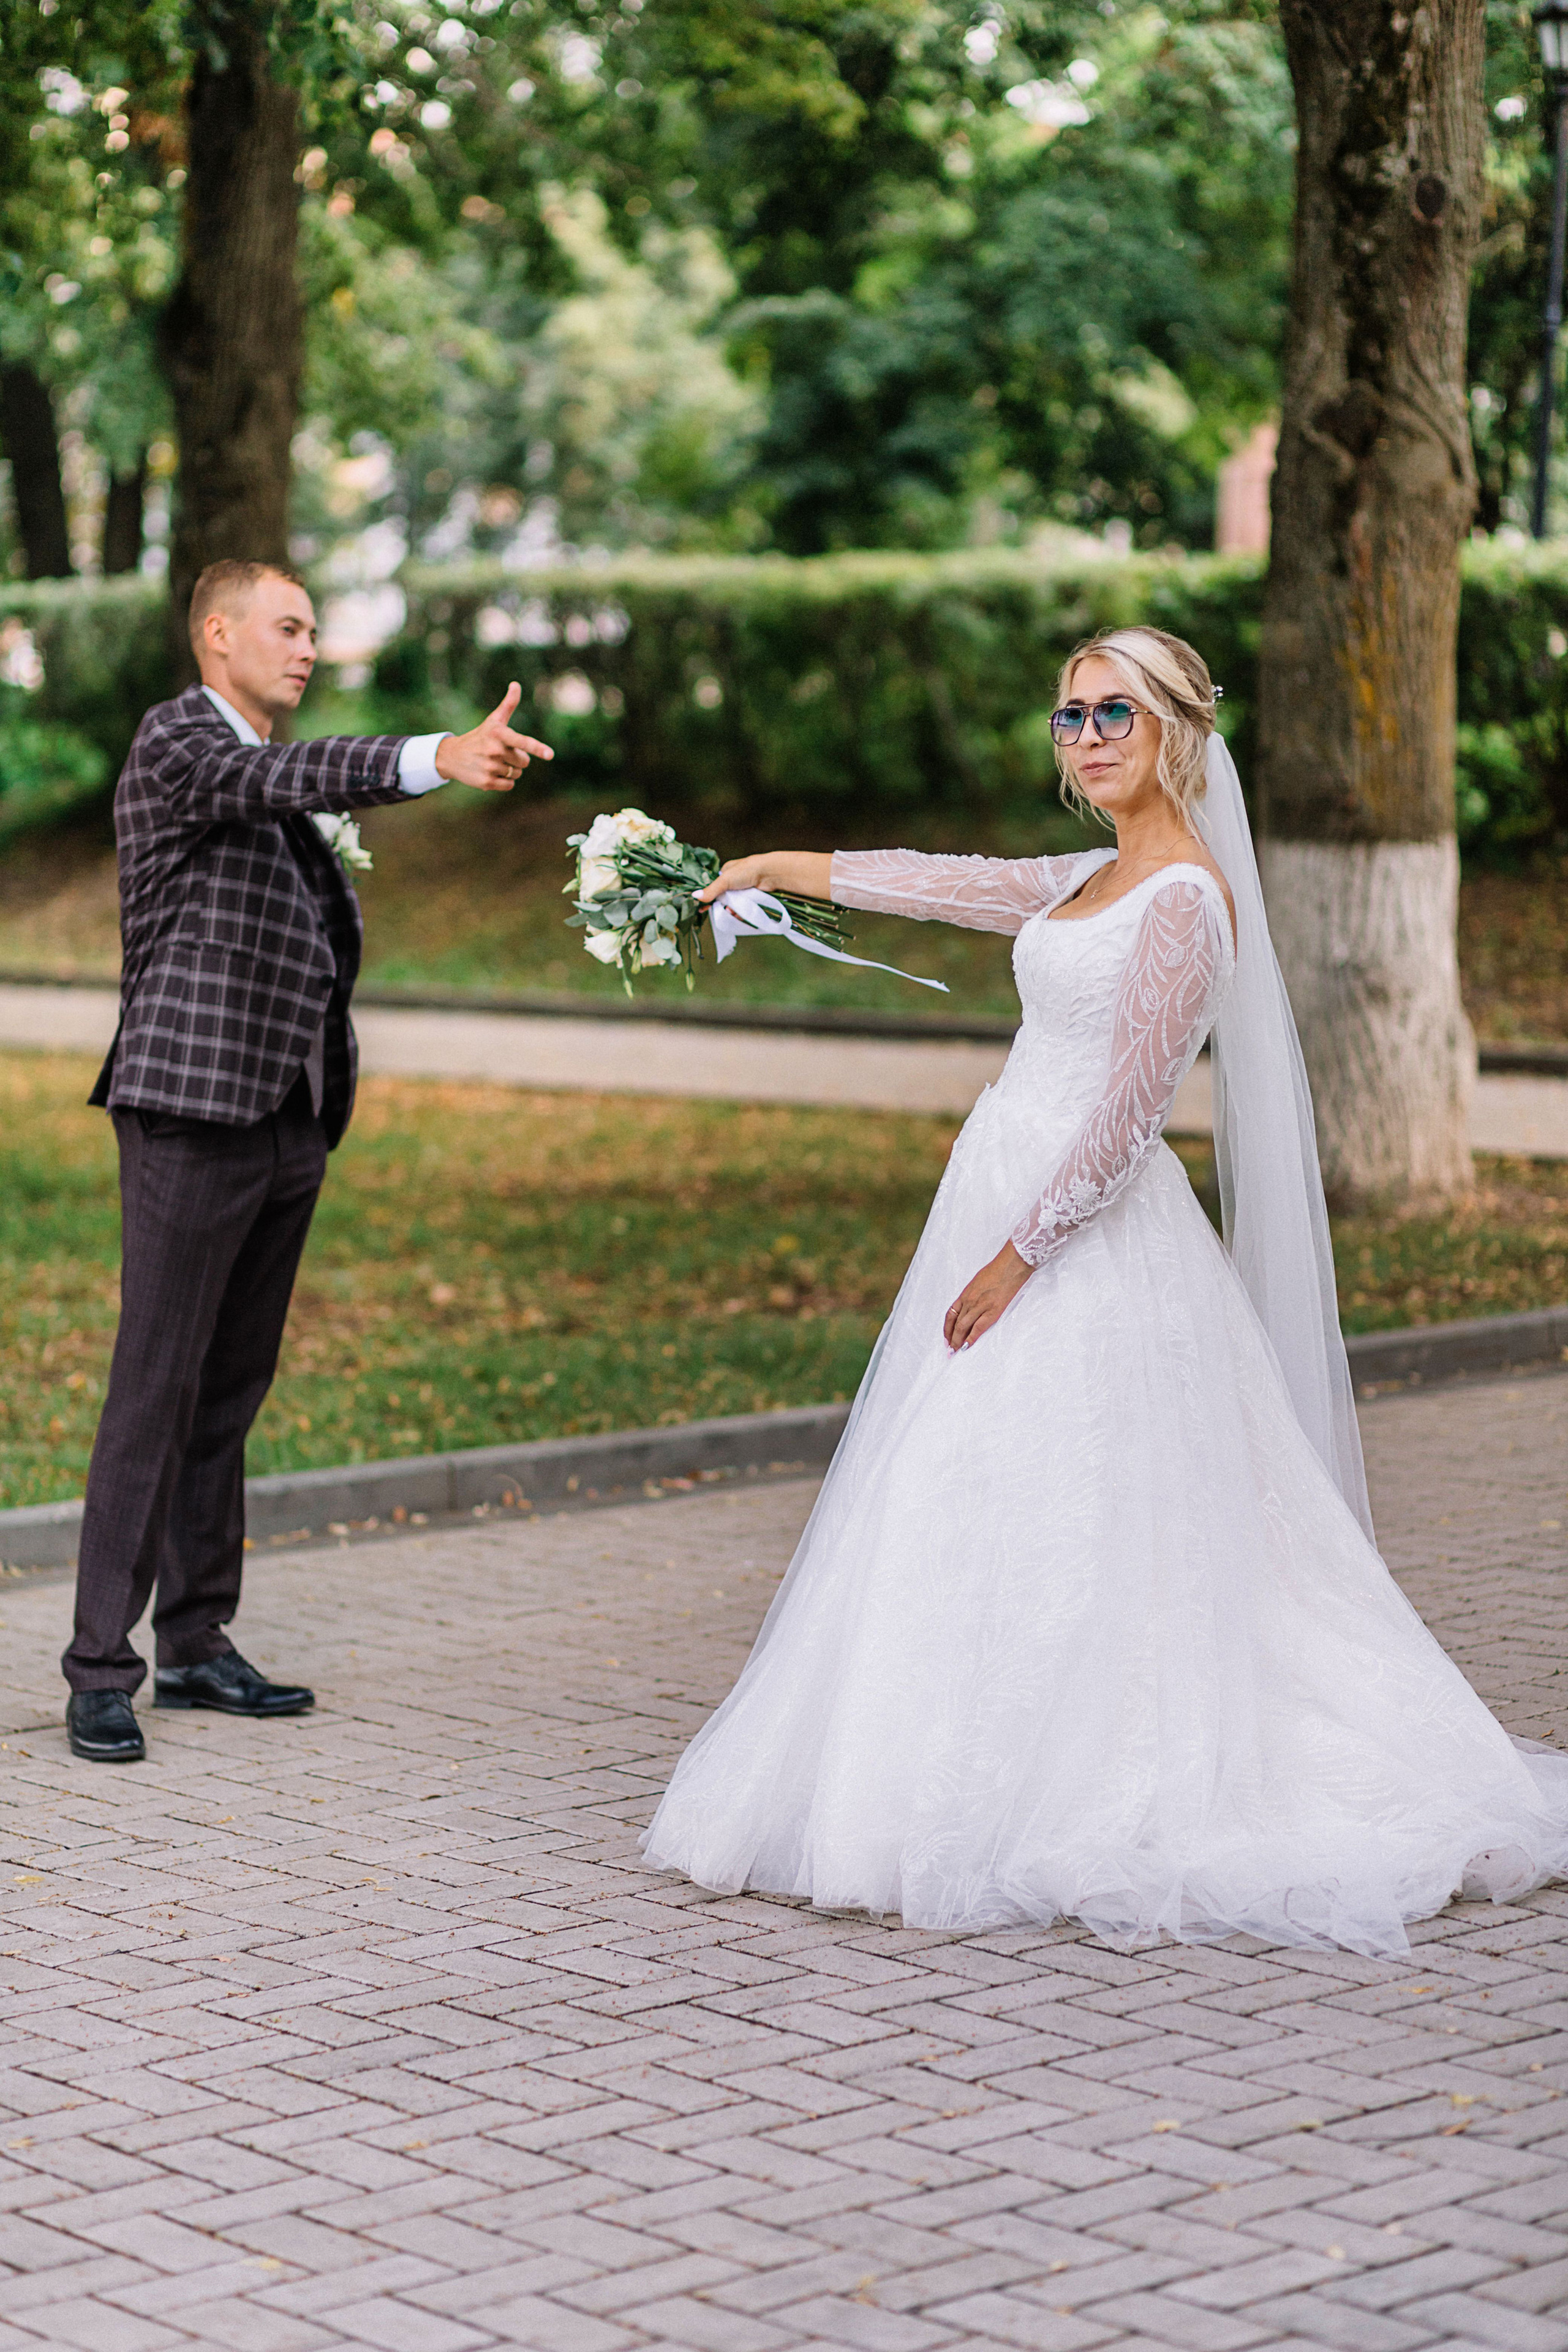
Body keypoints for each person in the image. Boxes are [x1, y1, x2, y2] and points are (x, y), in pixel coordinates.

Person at [643, 625, 1568, 1957]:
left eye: (1111, 716)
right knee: (958, 1486)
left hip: (1075, 1238)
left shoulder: (1182, 899)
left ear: (1176, 733)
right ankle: (931, 1764)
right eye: (1068, 717)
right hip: (996, 1196)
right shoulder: (1085, 873)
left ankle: (1082, 1778)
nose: (1083, 740)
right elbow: (958, 884)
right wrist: (796, 867)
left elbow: (1132, 1117)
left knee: (1082, 1490)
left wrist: (1020, 1255)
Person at [64, 559, 552, 1764]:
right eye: (287, 627)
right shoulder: (182, 738)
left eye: (315, 630)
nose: (308, 647)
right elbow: (281, 775)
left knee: (227, 1391)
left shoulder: (261, 763)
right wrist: (433, 756)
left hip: (286, 1116)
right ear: (216, 632)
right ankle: (97, 1669)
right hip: (190, 1109)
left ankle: (195, 1641)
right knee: (156, 1387)